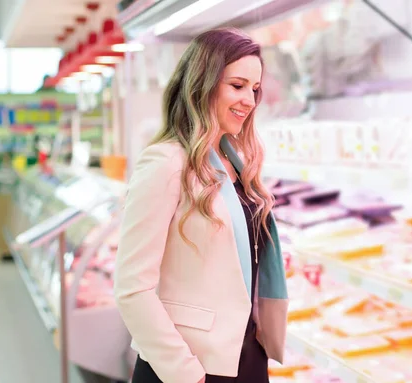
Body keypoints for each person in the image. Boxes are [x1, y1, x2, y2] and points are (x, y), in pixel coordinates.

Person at [114, 28, 288, 383]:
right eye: (237, 86)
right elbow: (132, 288)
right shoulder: (165, 162)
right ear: (202, 84)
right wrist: (187, 374)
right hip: (191, 365)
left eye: (254, 90)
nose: (249, 101)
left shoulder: (233, 160)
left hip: (245, 355)